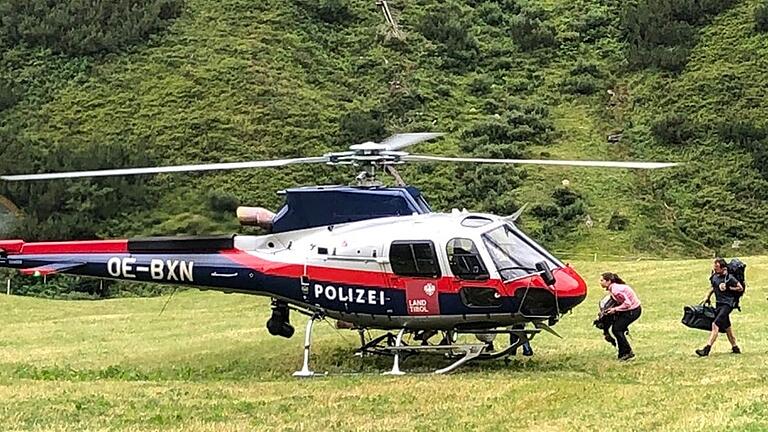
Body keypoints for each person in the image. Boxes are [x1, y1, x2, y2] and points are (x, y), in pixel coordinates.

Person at [695, 258, 744, 357]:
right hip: (719, 304)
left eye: (717, 267)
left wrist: (729, 288)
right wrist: (707, 297)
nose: (715, 268)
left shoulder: (729, 278)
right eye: (714, 266)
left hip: (727, 305)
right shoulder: (714, 277)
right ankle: (735, 347)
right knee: (727, 327)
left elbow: (740, 288)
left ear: (723, 268)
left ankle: (706, 349)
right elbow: (713, 287)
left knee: (715, 324)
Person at [599, 272, 642, 360]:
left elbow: (628, 304)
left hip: (633, 311)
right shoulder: (613, 288)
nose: (600, 282)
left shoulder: (616, 290)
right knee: (617, 329)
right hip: (631, 310)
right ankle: (623, 353)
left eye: (602, 280)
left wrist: (614, 310)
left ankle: (627, 352)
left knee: (617, 329)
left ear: (608, 281)